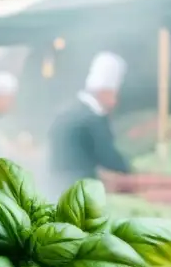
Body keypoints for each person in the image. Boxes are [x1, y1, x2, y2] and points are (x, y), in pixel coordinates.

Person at [47, 52, 129, 198]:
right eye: (114, 93)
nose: (115, 99)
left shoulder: (68, 110)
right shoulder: (91, 119)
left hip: (54, 187)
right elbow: (109, 158)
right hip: (77, 191)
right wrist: (128, 170)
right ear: (104, 91)